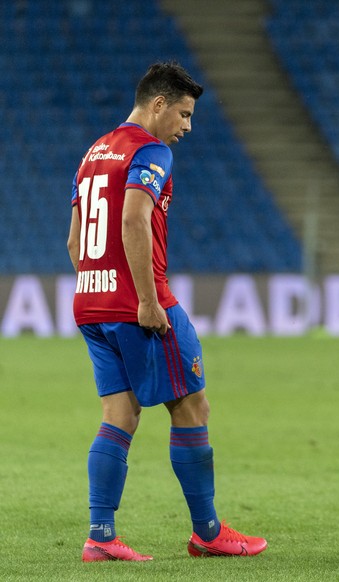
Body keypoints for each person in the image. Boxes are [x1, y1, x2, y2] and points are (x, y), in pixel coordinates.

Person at [67, 61, 267, 561]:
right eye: (183, 113)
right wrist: (147, 301)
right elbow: (135, 219)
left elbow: (75, 241)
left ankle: (101, 536)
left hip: (91, 302)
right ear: (158, 105)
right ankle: (208, 531)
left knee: (119, 414)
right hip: (140, 303)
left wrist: (103, 288)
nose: (187, 126)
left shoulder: (95, 151)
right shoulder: (148, 151)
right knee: (192, 406)